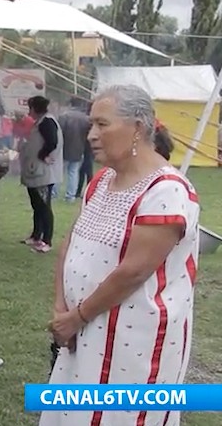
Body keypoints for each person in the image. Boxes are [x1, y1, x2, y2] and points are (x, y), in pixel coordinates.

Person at [44, 84, 199, 426]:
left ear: (138, 129)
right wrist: (61, 308)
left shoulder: (167, 191)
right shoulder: (101, 181)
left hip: (133, 338)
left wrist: (77, 316)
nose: (91, 135)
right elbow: (72, 240)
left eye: (102, 124)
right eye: (91, 125)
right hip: (82, 329)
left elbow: (133, 271)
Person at [20, 96, 63, 254]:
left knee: (44, 207)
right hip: (35, 172)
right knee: (37, 205)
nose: (28, 111)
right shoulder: (41, 121)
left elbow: (52, 141)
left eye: (29, 107)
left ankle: (47, 240)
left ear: (34, 108)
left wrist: (43, 154)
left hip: (43, 172)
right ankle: (36, 235)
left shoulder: (47, 122)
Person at [58, 98, 91, 202]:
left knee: (58, 172)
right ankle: (70, 196)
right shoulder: (86, 119)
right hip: (79, 149)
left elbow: (58, 133)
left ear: (70, 104)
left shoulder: (64, 116)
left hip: (63, 148)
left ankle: (53, 194)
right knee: (73, 172)